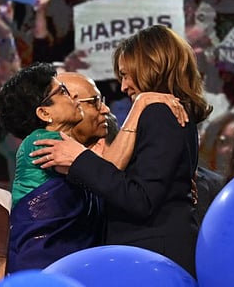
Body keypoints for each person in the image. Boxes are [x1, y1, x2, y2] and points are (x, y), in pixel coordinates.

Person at [31, 25, 212, 277]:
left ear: (152, 65)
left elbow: (142, 199)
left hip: (154, 259)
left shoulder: (160, 113)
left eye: (127, 74)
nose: (124, 86)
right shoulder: (166, 112)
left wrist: (79, 159)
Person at [0, 62, 187, 273]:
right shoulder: (40, 143)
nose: (72, 99)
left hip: (69, 270)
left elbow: (103, 178)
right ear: (44, 113)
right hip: (41, 271)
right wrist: (140, 105)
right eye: (63, 92)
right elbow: (108, 169)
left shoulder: (69, 147)